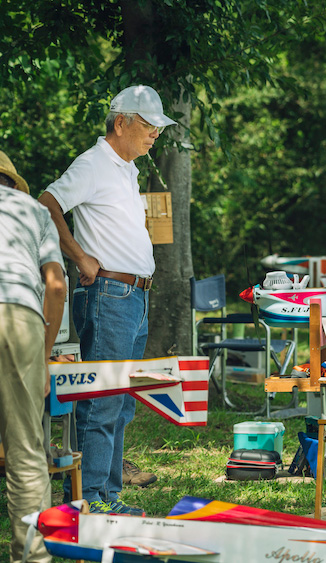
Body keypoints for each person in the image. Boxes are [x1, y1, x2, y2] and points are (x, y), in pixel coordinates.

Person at [38, 85, 176, 515]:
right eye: (150, 125)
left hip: (132, 296)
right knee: (103, 400)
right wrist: (78, 255)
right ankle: (89, 502)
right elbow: (46, 203)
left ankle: (107, 496)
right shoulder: (95, 162)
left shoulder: (124, 167)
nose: (156, 134)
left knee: (121, 401)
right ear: (122, 122)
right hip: (110, 294)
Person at [0, 150, 66, 563]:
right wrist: (43, 358)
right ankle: (32, 557)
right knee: (26, 448)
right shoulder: (32, 210)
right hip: (19, 315)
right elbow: (56, 286)